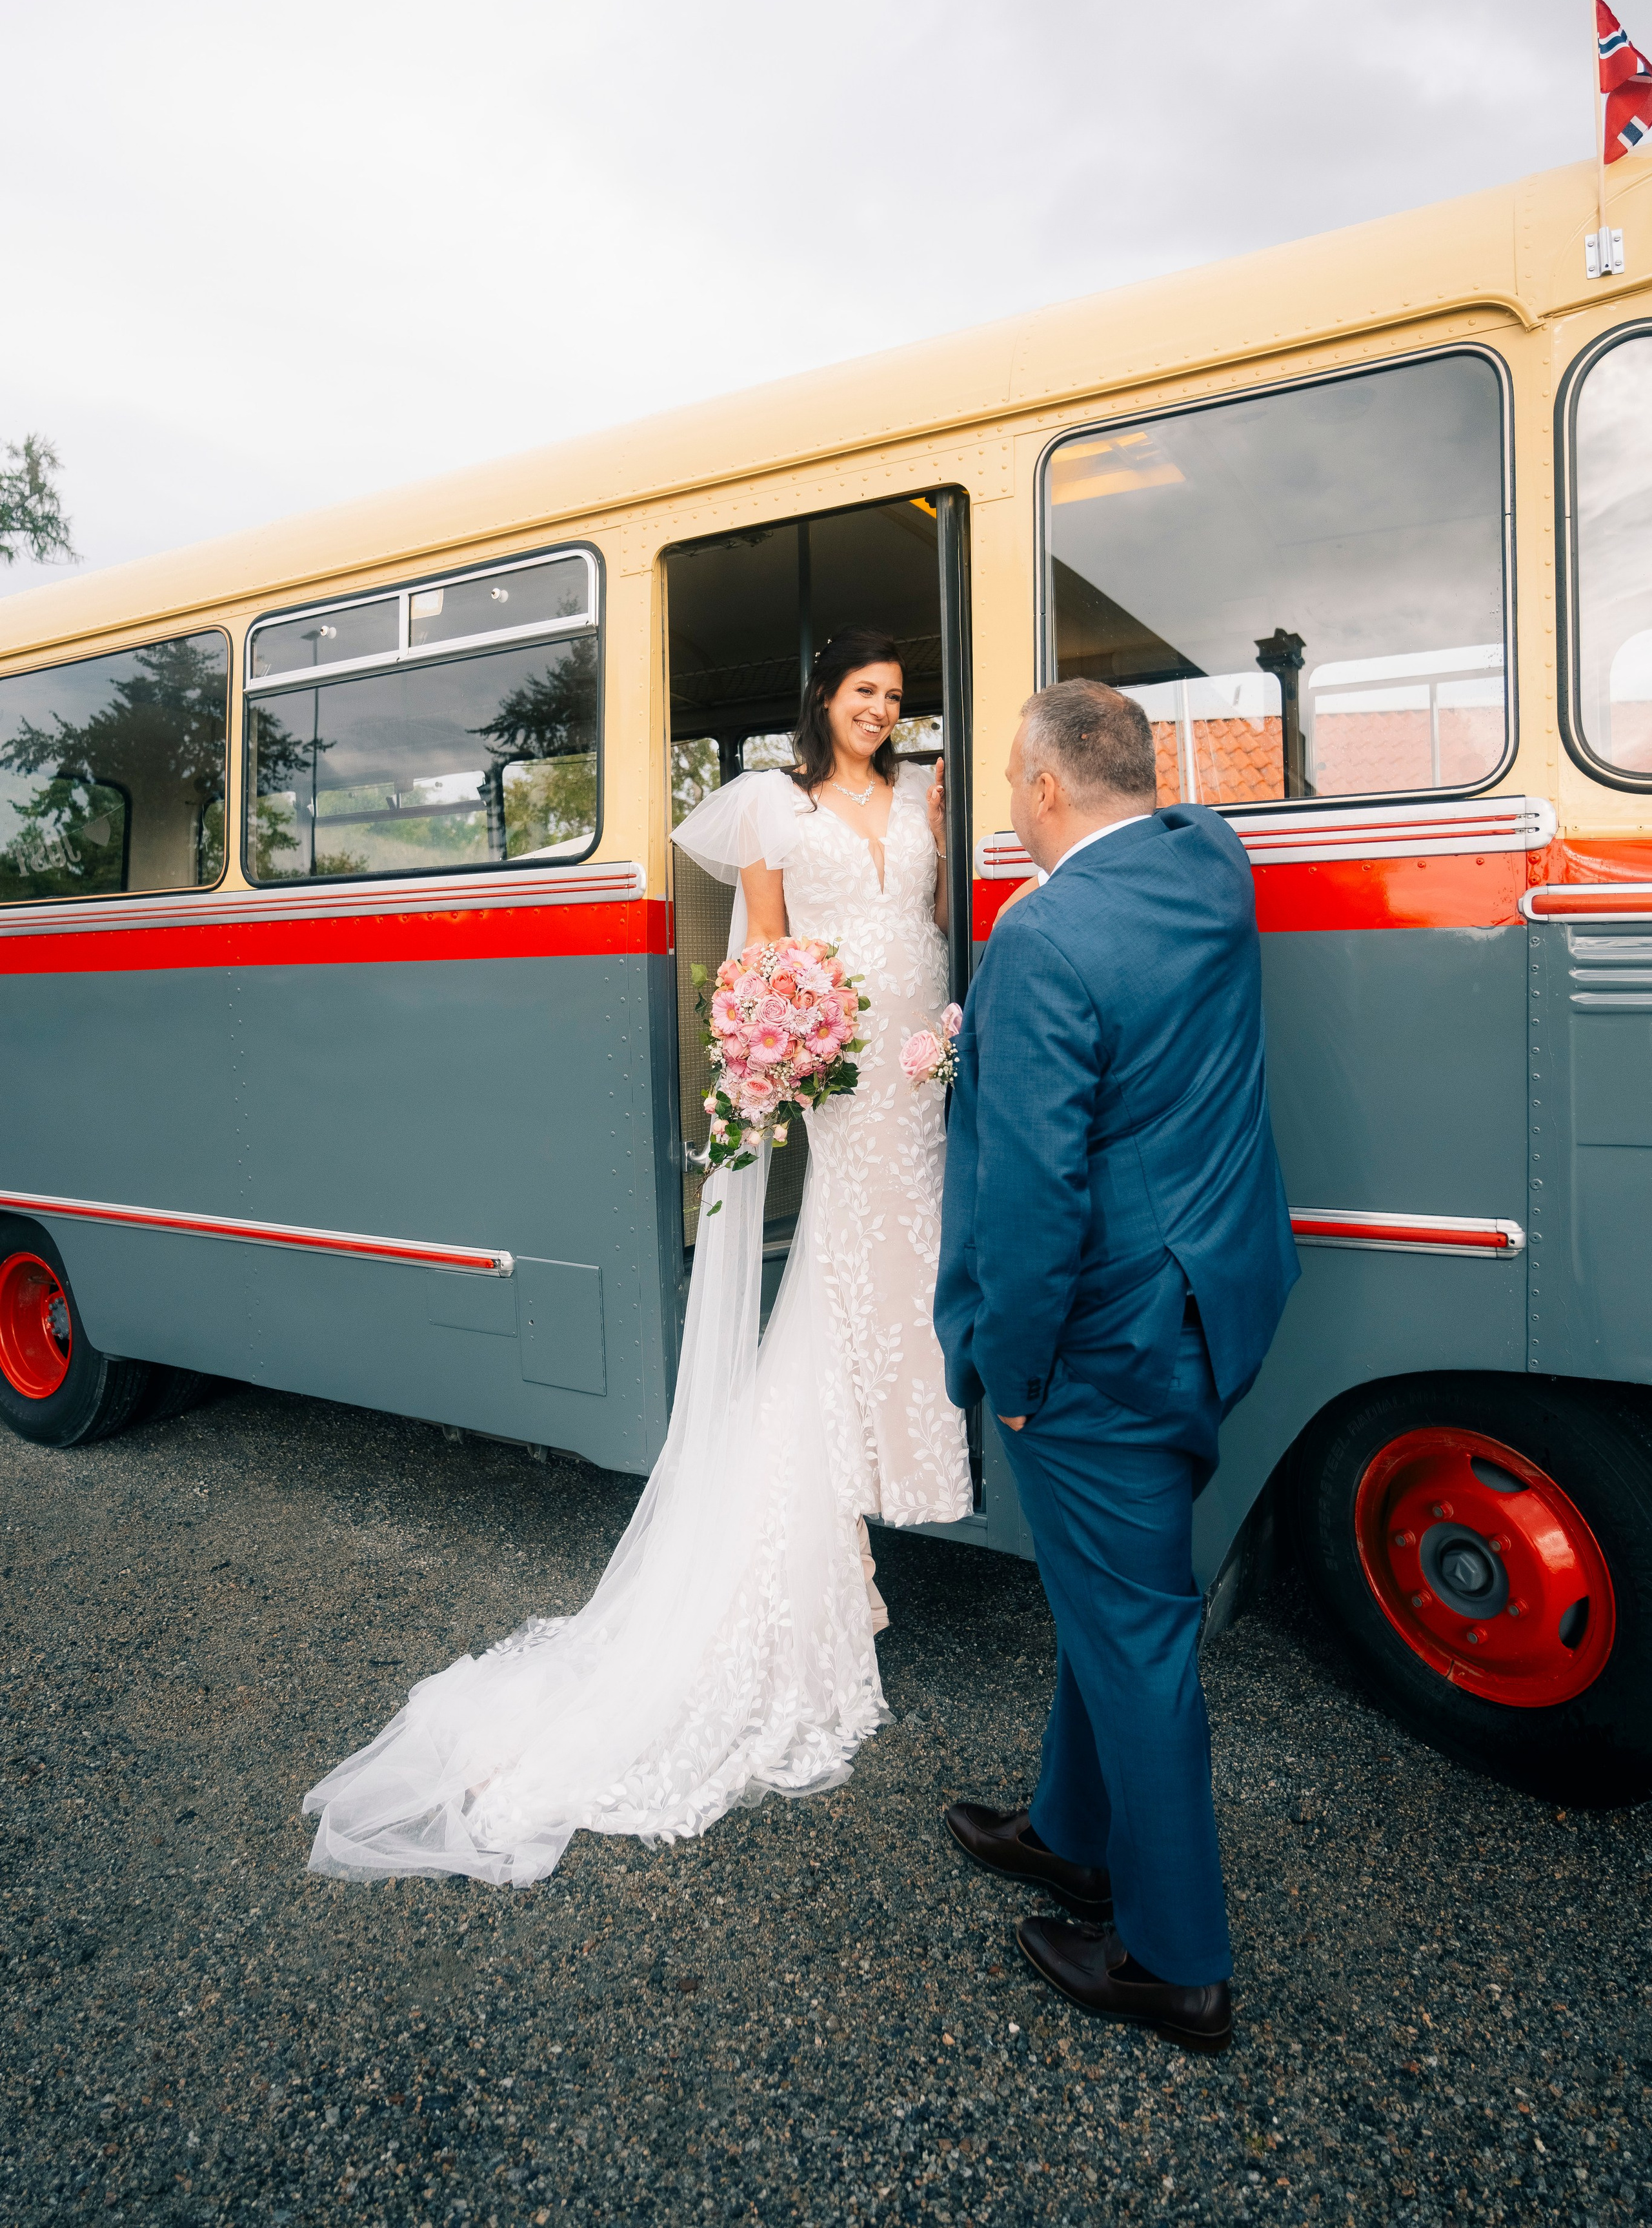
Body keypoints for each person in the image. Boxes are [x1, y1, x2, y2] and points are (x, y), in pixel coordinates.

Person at [303, 628, 972, 1883]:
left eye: (892, 696)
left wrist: (936, 1029)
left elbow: (928, 918)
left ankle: (896, 1491)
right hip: (846, 1086)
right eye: (861, 693)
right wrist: (790, 1053)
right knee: (840, 1292)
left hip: (921, 1071)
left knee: (915, 1276)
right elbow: (766, 954)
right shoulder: (777, 809)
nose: (879, 711)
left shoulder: (927, 794)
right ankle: (821, 1560)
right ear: (820, 699)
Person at [934, 678, 1298, 2053]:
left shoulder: (1039, 939)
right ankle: (1070, 1832)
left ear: (1037, 789)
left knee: (1137, 1634)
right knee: (1115, 1597)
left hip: (1101, 1344)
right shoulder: (1208, 862)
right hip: (1210, 1305)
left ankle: (1170, 1957)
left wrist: (1008, 1365)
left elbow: (1032, 1195)